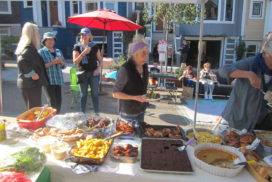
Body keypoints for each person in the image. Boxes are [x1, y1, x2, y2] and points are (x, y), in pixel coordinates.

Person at [220, 33, 272, 132]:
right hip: (238, 120)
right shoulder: (251, 63)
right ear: (264, 54)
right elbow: (223, 70)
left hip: (262, 121)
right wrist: (249, 74)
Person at [113, 34, 149, 124]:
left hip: (141, 109)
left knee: (139, 133)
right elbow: (115, 93)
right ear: (135, 54)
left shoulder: (144, 66)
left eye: (147, 53)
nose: (146, 56)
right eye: (143, 53)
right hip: (128, 112)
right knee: (129, 136)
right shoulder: (125, 69)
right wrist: (134, 97)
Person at [15, 22, 48, 110]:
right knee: (34, 110)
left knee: (33, 109)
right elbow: (22, 61)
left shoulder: (28, 47)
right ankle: (33, 124)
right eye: (37, 32)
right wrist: (31, 73)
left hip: (29, 84)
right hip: (30, 85)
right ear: (32, 34)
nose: (38, 34)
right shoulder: (29, 48)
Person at [73, 28, 103, 115]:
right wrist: (83, 53)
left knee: (95, 94)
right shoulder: (77, 46)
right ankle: (82, 113)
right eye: (82, 34)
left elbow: (100, 60)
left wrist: (98, 69)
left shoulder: (94, 46)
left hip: (94, 73)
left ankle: (97, 113)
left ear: (90, 36)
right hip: (82, 73)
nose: (83, 36)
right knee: (84, 94)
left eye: (85, 34)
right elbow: (75, 62)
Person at [38, 31, 65, 114]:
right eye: (48, 40)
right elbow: (40, 67)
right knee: (52, 101)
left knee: (58, 100)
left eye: (52, 40)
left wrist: (61, 62)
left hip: (58, 79)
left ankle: (57, 117)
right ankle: (52, 119)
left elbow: (63, 66)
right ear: (44, 41)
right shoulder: (41, 52)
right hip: (48, 80)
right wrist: (52, 62)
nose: (51, 41)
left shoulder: (58, 51)